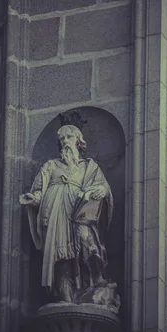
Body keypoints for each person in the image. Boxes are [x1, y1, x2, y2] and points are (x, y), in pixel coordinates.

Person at [20, 124, 113, 303]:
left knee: (87, 241)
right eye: (61, 139)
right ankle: (66, 298)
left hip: (80, 214)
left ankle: (96, 280)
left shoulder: (90, 167)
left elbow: (104, 186)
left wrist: (102, 189)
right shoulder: (51, 165)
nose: (65, 141)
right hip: (55, 214)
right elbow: (40, 189)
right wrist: (34, 198)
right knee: (61, 257)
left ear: (79, 140)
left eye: (69, 137)